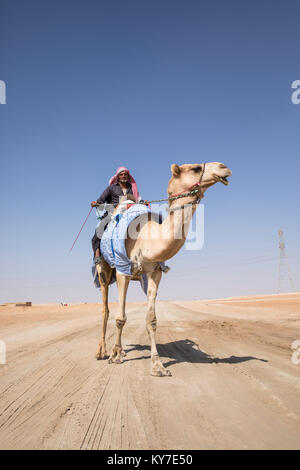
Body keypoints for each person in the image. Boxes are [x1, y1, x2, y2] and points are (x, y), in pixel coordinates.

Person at [91, 167, 140, 264]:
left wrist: (143, 202)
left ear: (128, 176)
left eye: (125, 174)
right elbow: (101, 200)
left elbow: (137, 200)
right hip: (113, 212)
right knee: (100, 228)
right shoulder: (111, 188)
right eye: (121, 174)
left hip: (129, 211)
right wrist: (96, 203)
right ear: (118, 177)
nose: (123, 176)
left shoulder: (132, 188)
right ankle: (97, 254)